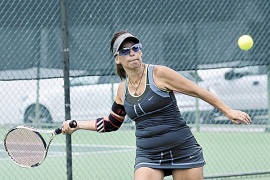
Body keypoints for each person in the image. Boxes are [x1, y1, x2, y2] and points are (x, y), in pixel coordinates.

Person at [62, 31, 251, 180]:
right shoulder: (122, 90)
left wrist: (228, 110)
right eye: (126, 51)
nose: (133, 53)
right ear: (117, 58)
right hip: (148, 155)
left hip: (182, 150)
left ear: (141, 50)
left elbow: (197, 90)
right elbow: (111, 123)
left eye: (136, 48)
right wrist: (77, 125)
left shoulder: (160, 74)